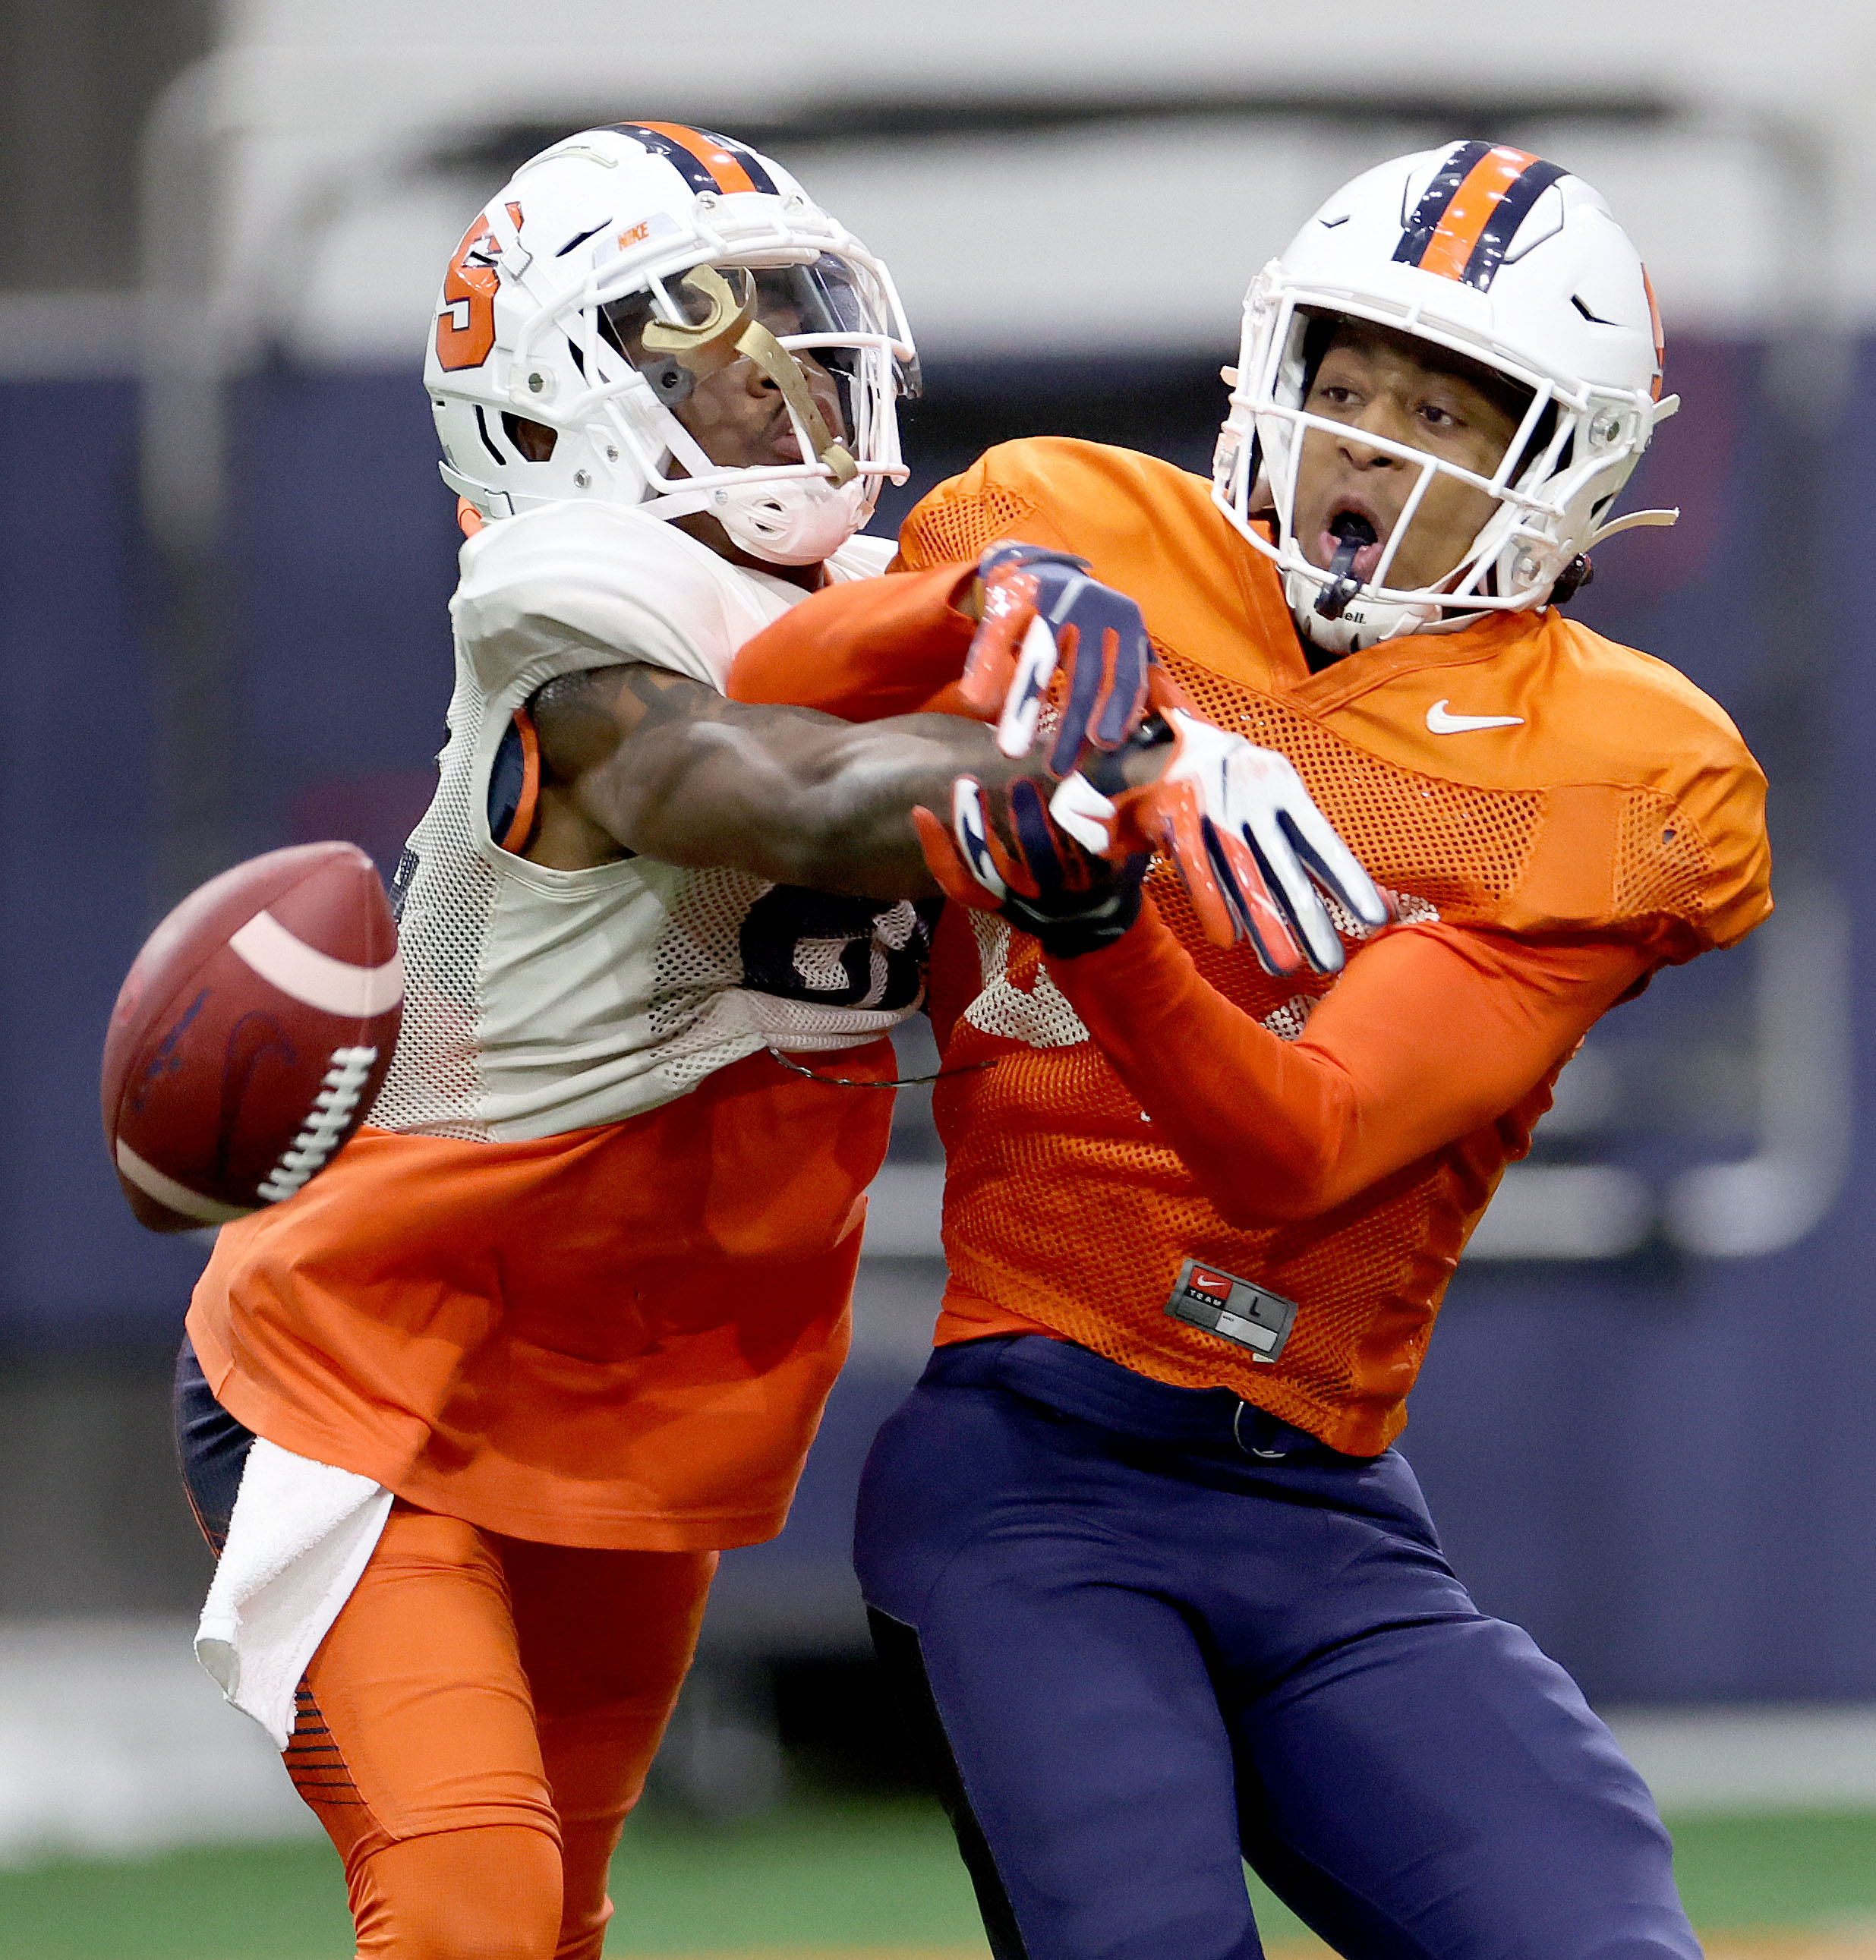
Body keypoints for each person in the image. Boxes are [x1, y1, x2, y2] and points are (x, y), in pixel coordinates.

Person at [172, 122, 1365, 1960]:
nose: (777, 380)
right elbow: (754, 787)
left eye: (795, 335)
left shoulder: (890, 594)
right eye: (700, 350)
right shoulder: (571, 592)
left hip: (640, 1396)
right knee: (474, 1896)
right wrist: (1095, 770)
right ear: (554, 403)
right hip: (377, 1368)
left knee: (553, 1915)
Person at [729, 142, 1770, 1958]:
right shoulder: (1068, 531)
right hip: (1032, 1470)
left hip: (1316, 1506)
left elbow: (1302, 1146)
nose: (1367, 439)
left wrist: (1092, 914)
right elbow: (745, 721)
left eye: (1441, 405)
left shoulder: (1612, 766)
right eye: (1345, 382)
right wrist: (966, 611)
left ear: (1564, 463)